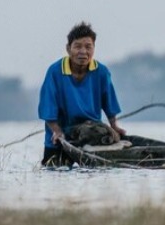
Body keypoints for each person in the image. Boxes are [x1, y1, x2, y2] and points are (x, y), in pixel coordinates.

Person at [38, 22, 126, 165]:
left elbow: (109, 103)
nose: (83, 52)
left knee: (104, 137)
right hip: (61, 135)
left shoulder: (101, 72)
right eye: (77, 46)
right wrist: (57, 131)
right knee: (53, 169)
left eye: (88, 47)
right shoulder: (55, 72)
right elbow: (48, 108)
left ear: (94, 49)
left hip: (90, 133)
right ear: (68, 49)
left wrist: (114, 126)